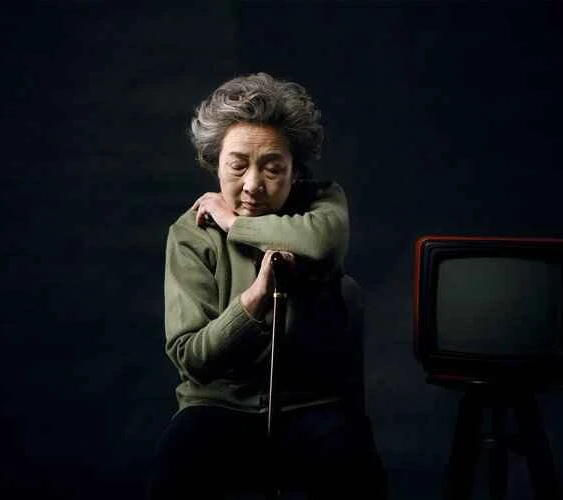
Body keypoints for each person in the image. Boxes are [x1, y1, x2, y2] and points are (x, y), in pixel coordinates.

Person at [146, 72, 387, 499]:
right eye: (237, 166)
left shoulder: (321, 203)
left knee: (355, 476)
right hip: (218, 404)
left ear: (295, 171)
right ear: (215, 163)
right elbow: (192, 358)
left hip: (313, 404)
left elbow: (323, 242)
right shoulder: (190, 234)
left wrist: (234, 223)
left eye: (273, 168)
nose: (253, 185)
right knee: (172, 478)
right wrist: (253, 301)